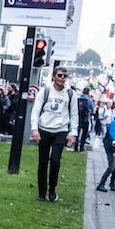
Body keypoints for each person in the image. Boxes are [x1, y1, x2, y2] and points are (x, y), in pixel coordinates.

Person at [30, 66, 77, 202]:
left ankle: (52, 190)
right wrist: (34, 129)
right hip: (44, 128)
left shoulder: (70, 94)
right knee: (43, 162)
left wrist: (73, 133)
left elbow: (74, 114)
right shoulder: (44, 92)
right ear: (54, 76)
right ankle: (41, 192)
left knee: (55, 161)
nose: (62, 78)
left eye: (64, 76)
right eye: (60, 75)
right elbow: (36, 111)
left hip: (60, 130)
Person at [96, 103, 115, 193]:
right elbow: (113, 134)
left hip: (114, 146)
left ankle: (112, 183)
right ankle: (101, 183)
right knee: (112, 166)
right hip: (110, 146)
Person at [75, 86, 94, 151]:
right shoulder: (89, 100)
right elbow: (92, 109)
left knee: (77, 133)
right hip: (86, 118)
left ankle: (75, 147)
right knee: (84, 133)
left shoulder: (78, 98)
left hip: (78, 118)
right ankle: (81, 147)